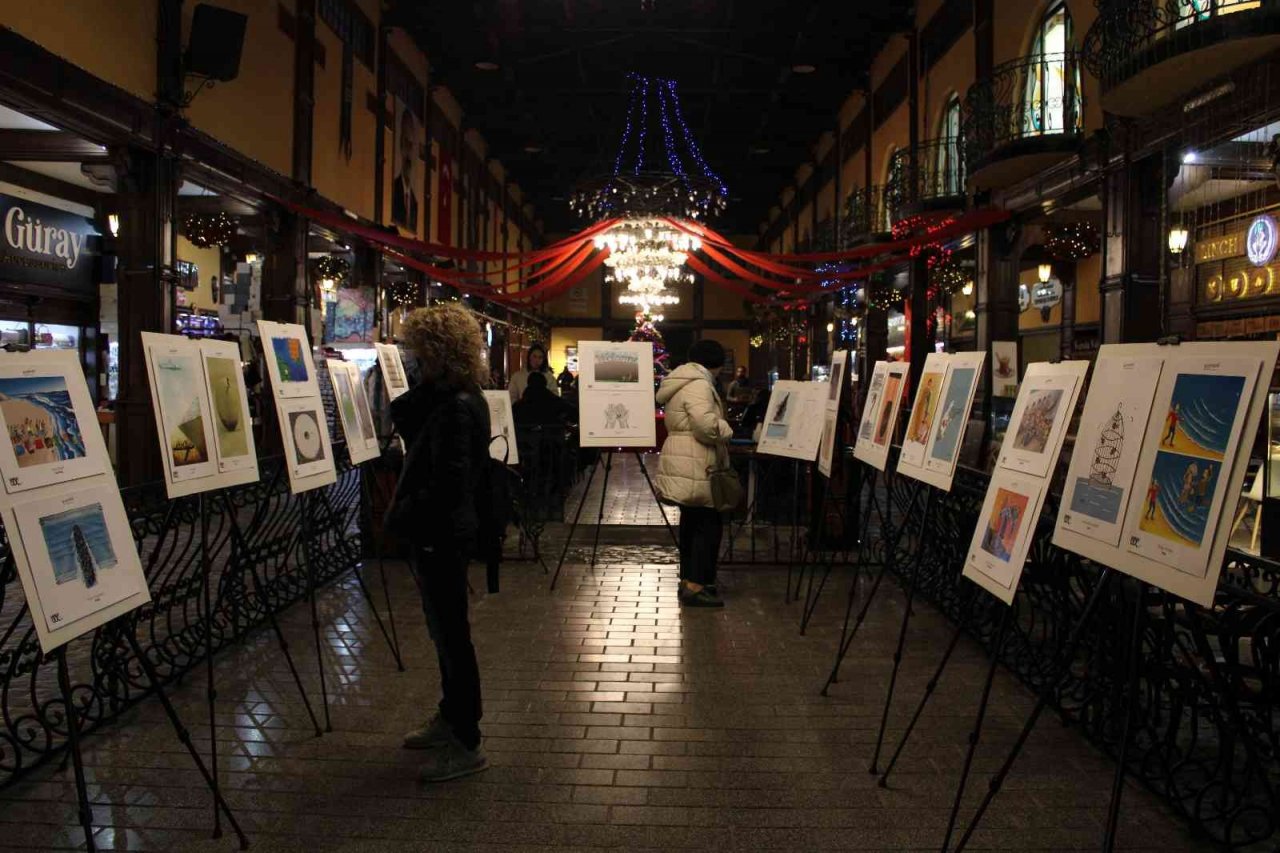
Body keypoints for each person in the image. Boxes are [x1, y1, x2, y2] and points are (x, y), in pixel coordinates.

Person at [388, 304, 491, 783]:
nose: (412, 356)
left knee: (452, 636)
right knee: (443, 631)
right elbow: (405, 415)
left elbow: (451, 481)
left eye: (419, 348)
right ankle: (451, 716)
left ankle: (466, 739)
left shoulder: (458, 407)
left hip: (443, 531)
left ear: (437, 351)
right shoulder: (450, 397)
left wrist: (408, 513)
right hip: (441, 529)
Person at [656, 339, 736, 608]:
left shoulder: (681, 381)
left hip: (685, 456)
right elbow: (706, 426)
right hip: (697, 459)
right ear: (714, 364)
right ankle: (697, 585)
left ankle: (689, 581)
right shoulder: (700, 384)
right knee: (707, 524)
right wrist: (726, 430)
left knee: (692, 522)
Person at [391, 107, 419, 230]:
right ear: (400, 144)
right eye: (406, 143)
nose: (409, 152)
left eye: (412, 145)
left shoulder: (414, 202)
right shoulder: (393, 189)